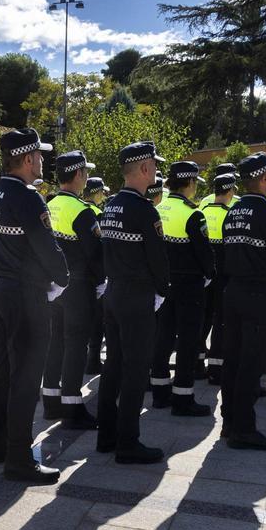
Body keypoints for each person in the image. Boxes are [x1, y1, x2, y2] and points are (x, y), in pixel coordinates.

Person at [0, 128, 70, 483]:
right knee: (26, 377)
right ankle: (19, 459)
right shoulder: (27, 197)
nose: (43, 161)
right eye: (40, 156)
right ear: (28, 158)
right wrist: (63, 278)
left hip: (0, 288)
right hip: (24, 295)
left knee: (3, 370)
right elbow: (46, 247)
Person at [95, 141, 170, 463]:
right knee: (136, 370)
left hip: (114, 294)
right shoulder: (143, 209)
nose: (156, 170)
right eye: (153, 165)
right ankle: (128, 442)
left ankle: (106, 436)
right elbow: (158, 258)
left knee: (113, 366)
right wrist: (162, 292)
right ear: (143, 169)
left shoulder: (110, 205)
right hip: (136, 296)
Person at [220, 152, 266, 450]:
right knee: (251, 363)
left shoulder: (232, 212)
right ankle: (244, 429)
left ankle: (229, 421)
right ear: (264, 178)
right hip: (259, 296)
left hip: (234, 291)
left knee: (233, 360)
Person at [40, 151, 102, 427]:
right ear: (78, 175)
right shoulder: (81, 211)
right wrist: (102, 282)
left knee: (55, 342)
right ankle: (72, 407)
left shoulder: (48, 205)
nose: (87, 177)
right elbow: (95, 253)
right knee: (76, 345)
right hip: (78, 287)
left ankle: (51, 401)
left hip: (54, 285)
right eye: (85, 172)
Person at [151, 160, 216, 417]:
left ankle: (159, 393)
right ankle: (183, 397)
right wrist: (210, 274)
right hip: (189, 285)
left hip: (164, 283)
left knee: (162, 337)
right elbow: (204, 252)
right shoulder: (193, 213)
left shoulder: (157, 208)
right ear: (189, 183)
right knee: (188, 341)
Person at [200, 172, 237, 385]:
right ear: (230, 191)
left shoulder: (202, 211)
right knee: (220, 322)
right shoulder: (229, 215)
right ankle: (216, 368)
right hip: (222, 275)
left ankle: (198, 362)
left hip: (203, 275)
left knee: (203, 319)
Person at [82, 176, 110, 374]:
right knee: (97, 320)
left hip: (75, 273)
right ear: (97, 192)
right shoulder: (98, 214)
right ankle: (92, 361)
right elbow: (100, 248)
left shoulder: (79, 209)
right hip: (93, 275)